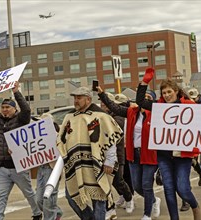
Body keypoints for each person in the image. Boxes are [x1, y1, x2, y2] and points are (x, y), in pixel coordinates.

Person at [137, 67, 201, 220]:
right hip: (164, 156)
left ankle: (195, 206)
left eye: (169, 92)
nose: (166, 95)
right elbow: (140, 101)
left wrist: (197, 149)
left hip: (183, 156)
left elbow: (200, 128)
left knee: (183, 189)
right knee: (168, 189)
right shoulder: (158, 107)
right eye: (164, 93)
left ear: (176, 91)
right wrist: (145, 82)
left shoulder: (189, 106)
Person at [0, 81, 42, 220]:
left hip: (19, 166)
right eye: (3, 107)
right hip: (2, 166)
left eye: (7, 107)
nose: (4, 109)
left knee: (28, 192)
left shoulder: (21, 120)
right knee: (1, 195)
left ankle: (37, 213)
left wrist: (16, 92)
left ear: (14, 109)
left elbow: (27, 110)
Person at [56, 87, 123, 219]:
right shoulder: (69, 117)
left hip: (96, 163)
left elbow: (109, 138)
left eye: (79, 98)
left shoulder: (101, 116)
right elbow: (62, 138)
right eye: (75, 98)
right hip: (75, 164)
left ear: (88, 99)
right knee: (72, 197)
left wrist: (110, 161)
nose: (76, 100)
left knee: (98, 198)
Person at [97, 87, 161, 220]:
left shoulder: (157, 115)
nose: (145, 101)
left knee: (146, 185)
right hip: (134, 155)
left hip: (149, 155)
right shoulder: (131, 112)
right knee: (137, 186)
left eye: (148, 99)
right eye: (143, 98)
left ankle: (147, 214)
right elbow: (114, 107)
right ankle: (155, 200)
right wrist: (102, 94)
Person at [100, 92, 134, 220]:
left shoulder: (117, 118)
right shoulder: (102, 116)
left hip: (117, 155)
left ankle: (129, 198)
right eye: (101, 102)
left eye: (105, 102)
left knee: (118, 180)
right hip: (103, 156)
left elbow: (113, 131)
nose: (102, 104)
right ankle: (114, 203)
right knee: (109, 183)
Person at [32, 113, 63, 220]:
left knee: (49, 199)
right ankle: (57, 212)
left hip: (52, 169)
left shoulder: (57, 136)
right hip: (41, 168)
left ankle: (51, 217)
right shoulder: (36, 137)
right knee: (39, 199)